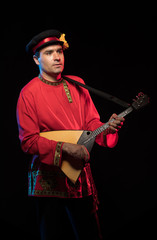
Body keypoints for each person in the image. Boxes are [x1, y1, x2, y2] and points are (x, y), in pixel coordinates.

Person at [16, 29, 125, 240]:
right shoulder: (28, 93)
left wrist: (106, 127)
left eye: (59, 51)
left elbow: (90, 123)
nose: (57, 57)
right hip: (47, 181)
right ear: (36, 60)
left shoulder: (76, 83)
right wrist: (66, 147)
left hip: (79, 176)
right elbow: (28, 141)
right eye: (49, 53)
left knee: (90, 233)